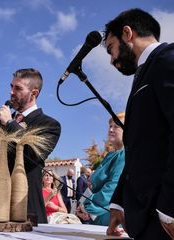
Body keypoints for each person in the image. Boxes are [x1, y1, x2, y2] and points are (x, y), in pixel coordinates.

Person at [103, 8, 174, 239]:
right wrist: (119, 203)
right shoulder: (144, 74)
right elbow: (140, 149)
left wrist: (170, 208)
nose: (112, 60)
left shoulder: (167, 59)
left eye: (111, 49)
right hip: (145, 219)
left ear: (127, 33)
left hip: (163, 220)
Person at [0, 68, 61, 224]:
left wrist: (9, 123)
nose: (11, 92)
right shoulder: (5, 120)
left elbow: (32, 155)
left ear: (34, 93)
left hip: (23, 205)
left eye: (18, 88)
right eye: (11, 87)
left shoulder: (49, 125)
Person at [76, 112, 125, 226]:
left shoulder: (124, 155)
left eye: (116, 126)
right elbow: (93, 187)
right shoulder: (109, 155)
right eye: (110, 126)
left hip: (111, 218)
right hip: (98, 216)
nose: (111, 130)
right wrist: (82, 204)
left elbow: (112, 187)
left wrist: (87, 207)